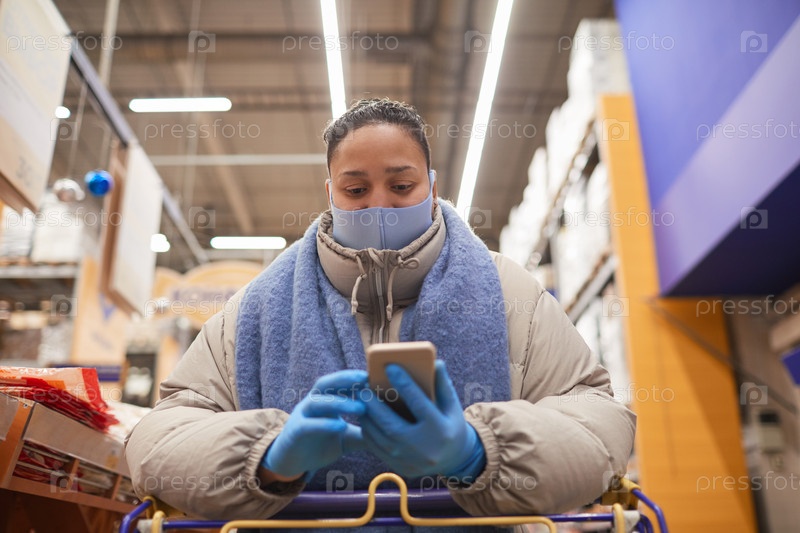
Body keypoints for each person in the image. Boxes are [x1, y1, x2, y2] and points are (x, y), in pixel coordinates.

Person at [125, 98, 636, 527]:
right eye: (355, 189)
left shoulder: (508, 292)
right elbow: (158, 439)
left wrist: (477, 450)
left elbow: (598, 420)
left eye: (401, 185)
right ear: (329, 193)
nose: (380, 205)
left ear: (431, 186)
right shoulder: (255, 308)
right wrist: (267, 457)